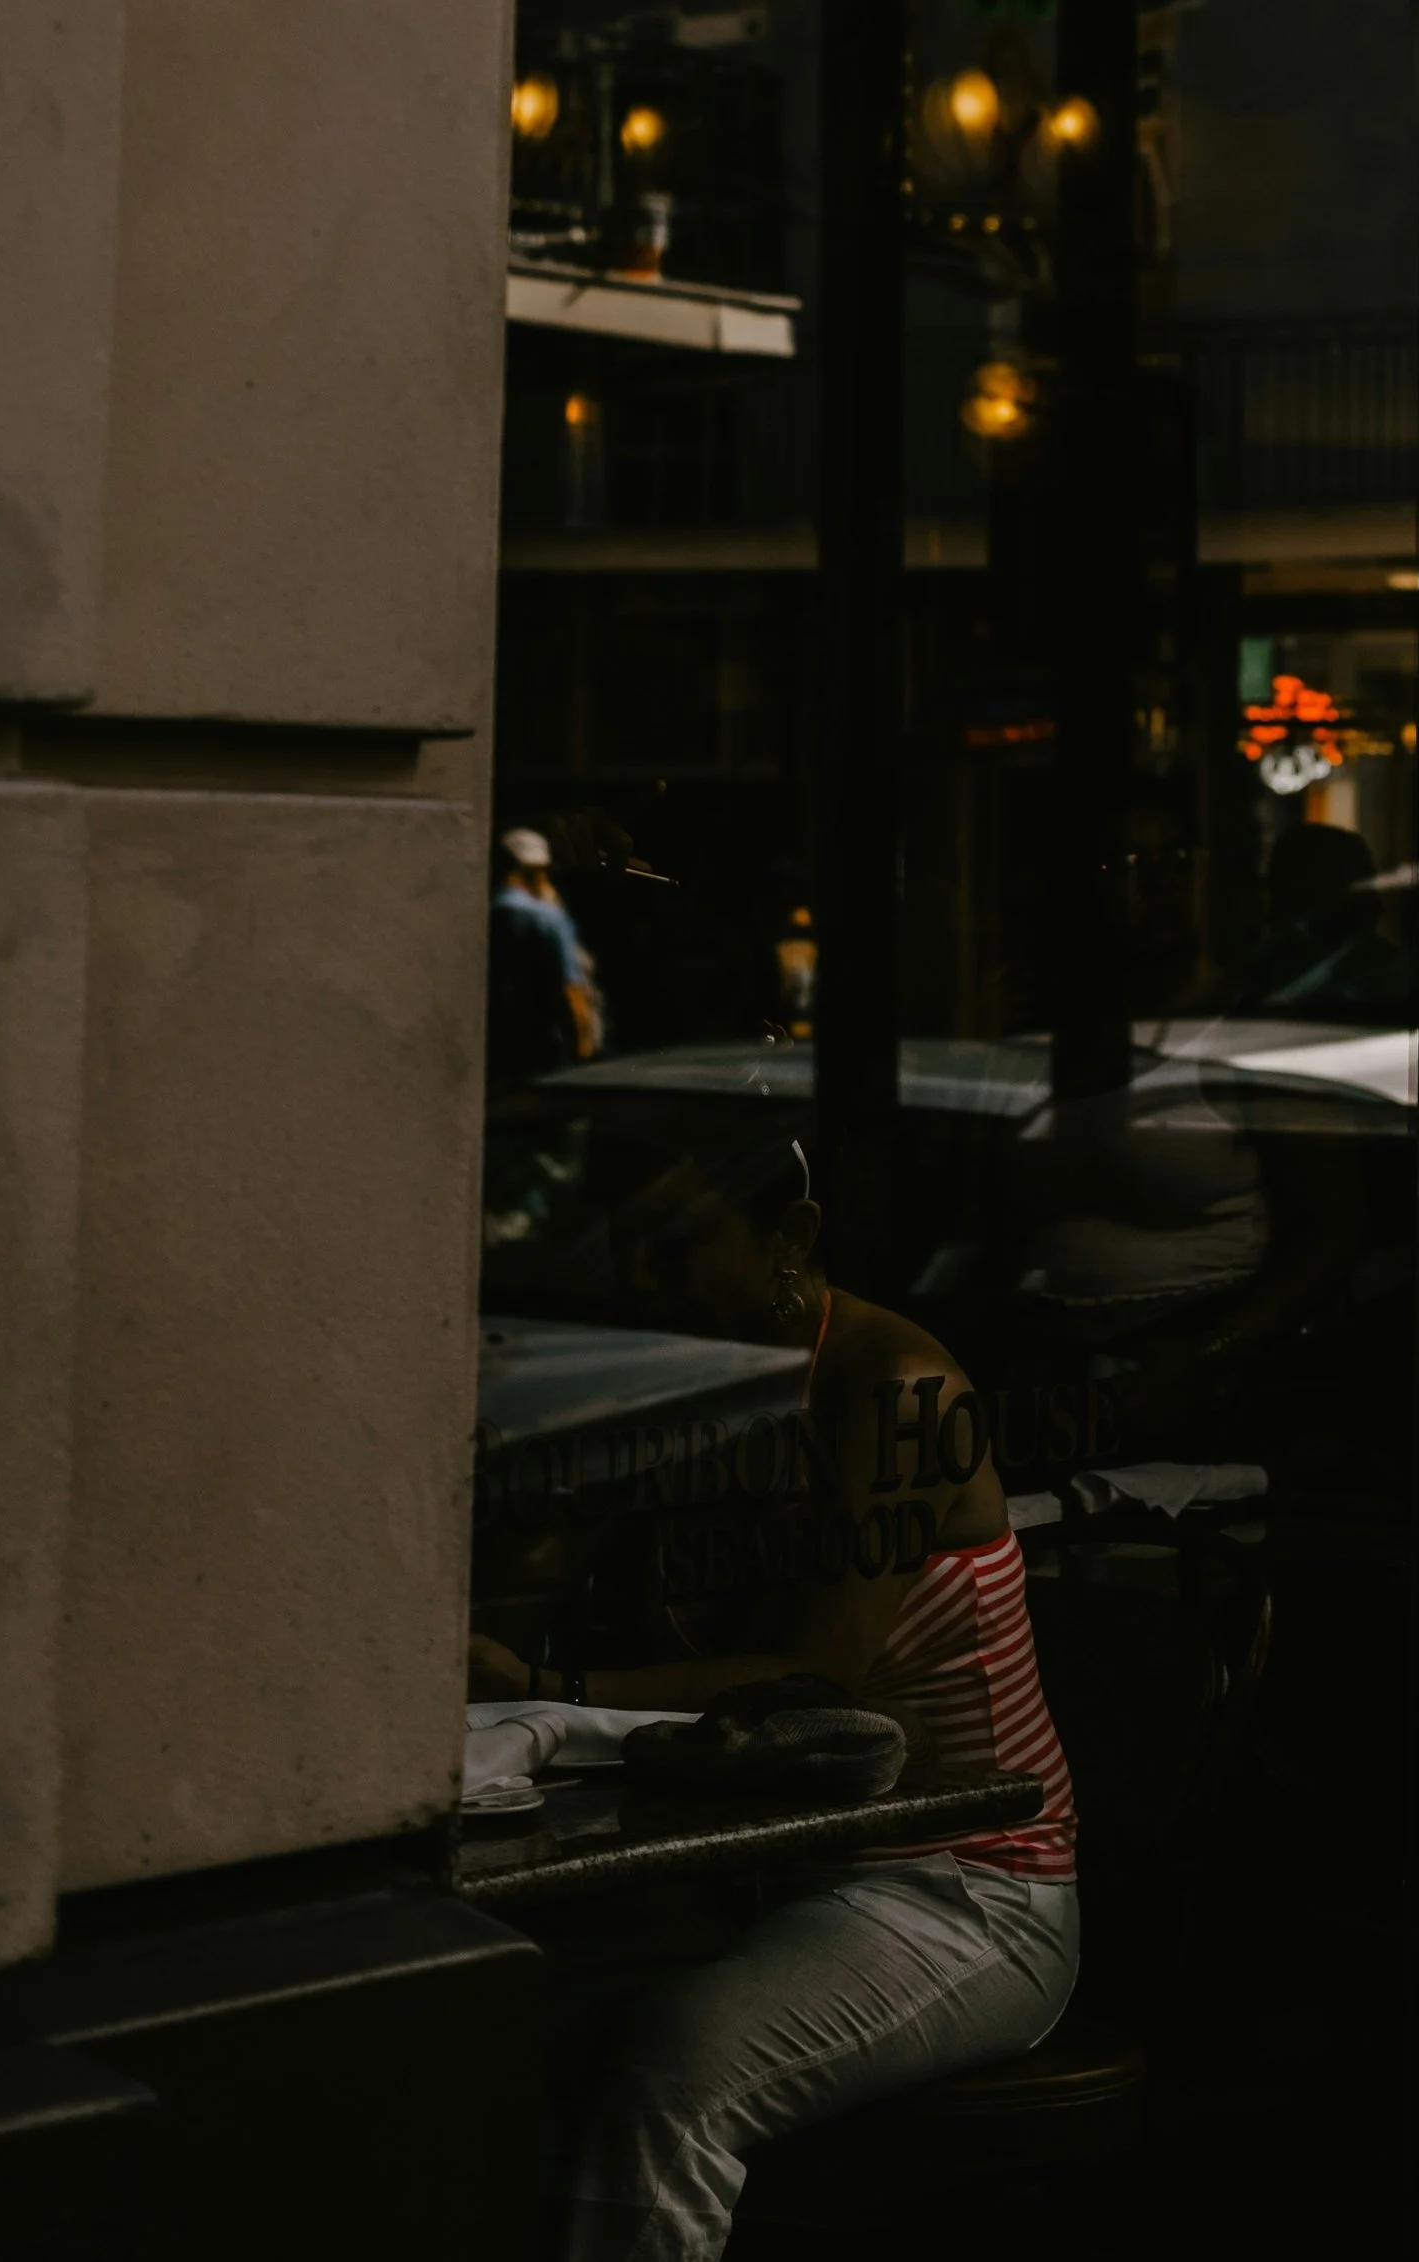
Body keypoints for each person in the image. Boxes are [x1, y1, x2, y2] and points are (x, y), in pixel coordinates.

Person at [468, 1126, 1078, 2260]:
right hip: (768, 1867)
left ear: (790, 1240)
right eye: (629, 1255)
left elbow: (814, 1680)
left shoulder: (895, 1388)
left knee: (671, 2071)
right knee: (496, 2027)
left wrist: (545, 1688)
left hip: (961, 1889)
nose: (648, 1283)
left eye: (680, 1247)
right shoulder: (714, 1384)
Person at [487, 827, 602, 1089]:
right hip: (543, 1044)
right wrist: (583, 1048)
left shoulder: (487, 912)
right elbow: (569, 990)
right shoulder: (545, 917)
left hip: (497, 1043)